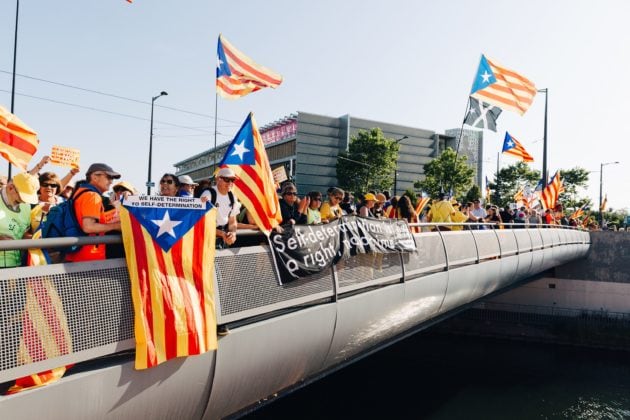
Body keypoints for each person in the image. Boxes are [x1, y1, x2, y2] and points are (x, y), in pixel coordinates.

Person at [65, 163, 122, 263]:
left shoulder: (80, 192)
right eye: (108, 177)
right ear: (94, 177)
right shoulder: (92, 196)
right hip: (89, 257)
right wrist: (116, 226)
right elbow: (88, 227)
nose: (111, 181)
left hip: (77, 255)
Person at [0, 172, 39, 268]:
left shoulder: (26, 206)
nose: (24, 202)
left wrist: (34, 239)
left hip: (15, 265)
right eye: (21, 198)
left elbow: (22, 233)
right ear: (10, 188)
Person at [200, 168, 241, 248]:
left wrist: (233, 233)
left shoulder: (232, 196)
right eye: (227, 179)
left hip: (223, 237)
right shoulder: (208, 194)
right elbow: (202, 223)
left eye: (232, 180)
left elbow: (232, 221)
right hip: (208, 237)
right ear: (218, 179)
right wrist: (222, 234)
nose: (230, 183)